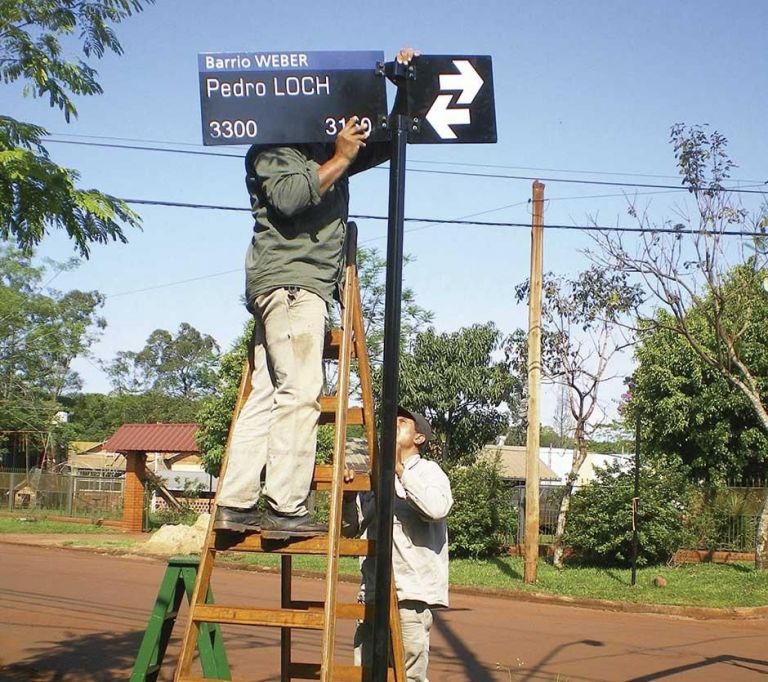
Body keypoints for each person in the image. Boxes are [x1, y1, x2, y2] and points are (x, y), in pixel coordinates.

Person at [214, 48, 420, 539]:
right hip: (292, 287)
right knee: (302, 394)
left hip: (292, 288)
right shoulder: (274, 146)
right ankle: (285, 507)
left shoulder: (323, 150)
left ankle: (235, 502)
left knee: (268, 394)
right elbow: (289, 198)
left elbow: (387, 144)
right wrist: (341, 157)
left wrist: (402, 88)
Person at [343, 407, 453, 682]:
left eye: (402, 422)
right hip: (371, 593)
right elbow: (350, 529)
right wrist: (348, 495)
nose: (392, 425)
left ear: (419, 438)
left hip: (410, 595)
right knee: (364, 674)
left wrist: (400, 471)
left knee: (410, 677)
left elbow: (436, 508)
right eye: (389, 421)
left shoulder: (429, 472)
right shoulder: (373, 477)